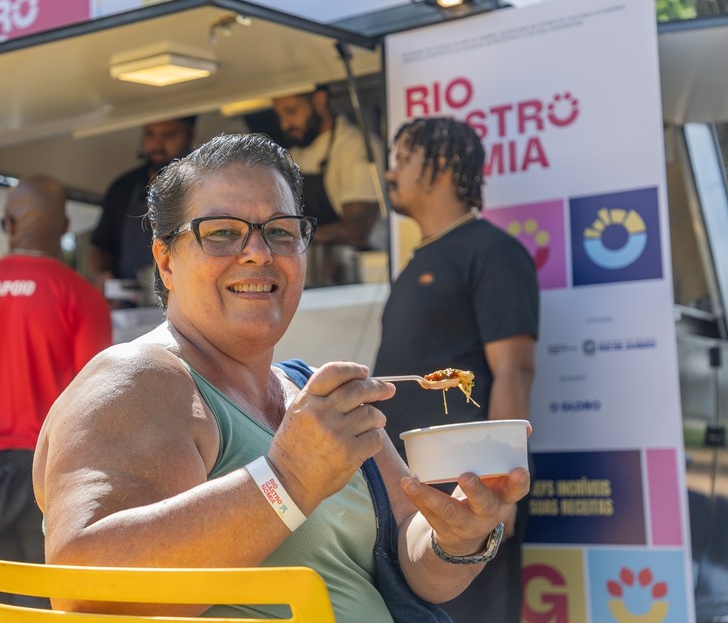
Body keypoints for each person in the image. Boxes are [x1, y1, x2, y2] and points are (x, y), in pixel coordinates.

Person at [33, 133, 530, 620]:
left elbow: (415, 558)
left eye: (280, 231)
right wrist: (287, 480)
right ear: (165, 260)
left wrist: (457, 538)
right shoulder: (139, 378)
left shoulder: (314, 391)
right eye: (222, 232)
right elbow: (84, 588)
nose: (258, 252)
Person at [373, 116, 539, 623]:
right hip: (407, 496)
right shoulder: (420, 259)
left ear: (441, 166)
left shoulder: (493, 252)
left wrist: (500, 492)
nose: (389, 172)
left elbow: (515, 371)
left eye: (402, 158)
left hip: (470, 493)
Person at [0, 174, 113, 623]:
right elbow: (98, 398)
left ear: (9, 226)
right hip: (53, 475)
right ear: (64, 225)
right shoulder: (83, 297)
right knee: (51, 608)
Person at [88, 116, 196, 296]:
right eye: (150, 134)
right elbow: (100, 249)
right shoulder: (123, 188)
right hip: (132, 307)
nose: (157, 143)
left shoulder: (204, 185)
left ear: (190, 135)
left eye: (169, 135)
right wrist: (102, 275)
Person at [271, 86, 382, 250]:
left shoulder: (355, 146)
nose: (285, 124)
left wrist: (288, 236)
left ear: (319, 100)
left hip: (364, 264)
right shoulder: (292, 156)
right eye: (280, 116)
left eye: (291, 111)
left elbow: (357, 231)